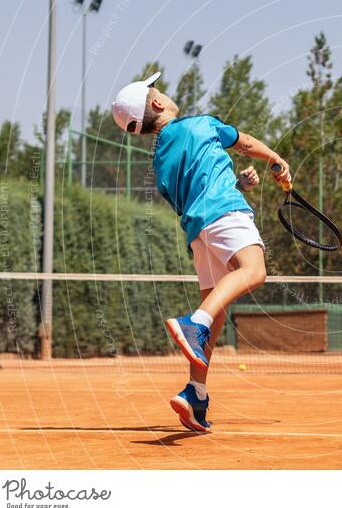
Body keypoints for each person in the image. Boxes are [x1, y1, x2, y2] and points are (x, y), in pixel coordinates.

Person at [112, 72, 291, 432]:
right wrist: (276, 160)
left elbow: (198, 190)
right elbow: (244, 142)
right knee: (254, 271)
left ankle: (195, 393)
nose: (162, 91)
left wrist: (237, 183)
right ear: (158, 103)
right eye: (157, 90)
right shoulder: (201, 125)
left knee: (218, 310)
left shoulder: (160, 160)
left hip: (200, 232)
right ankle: (196, 323)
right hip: (225, 214)